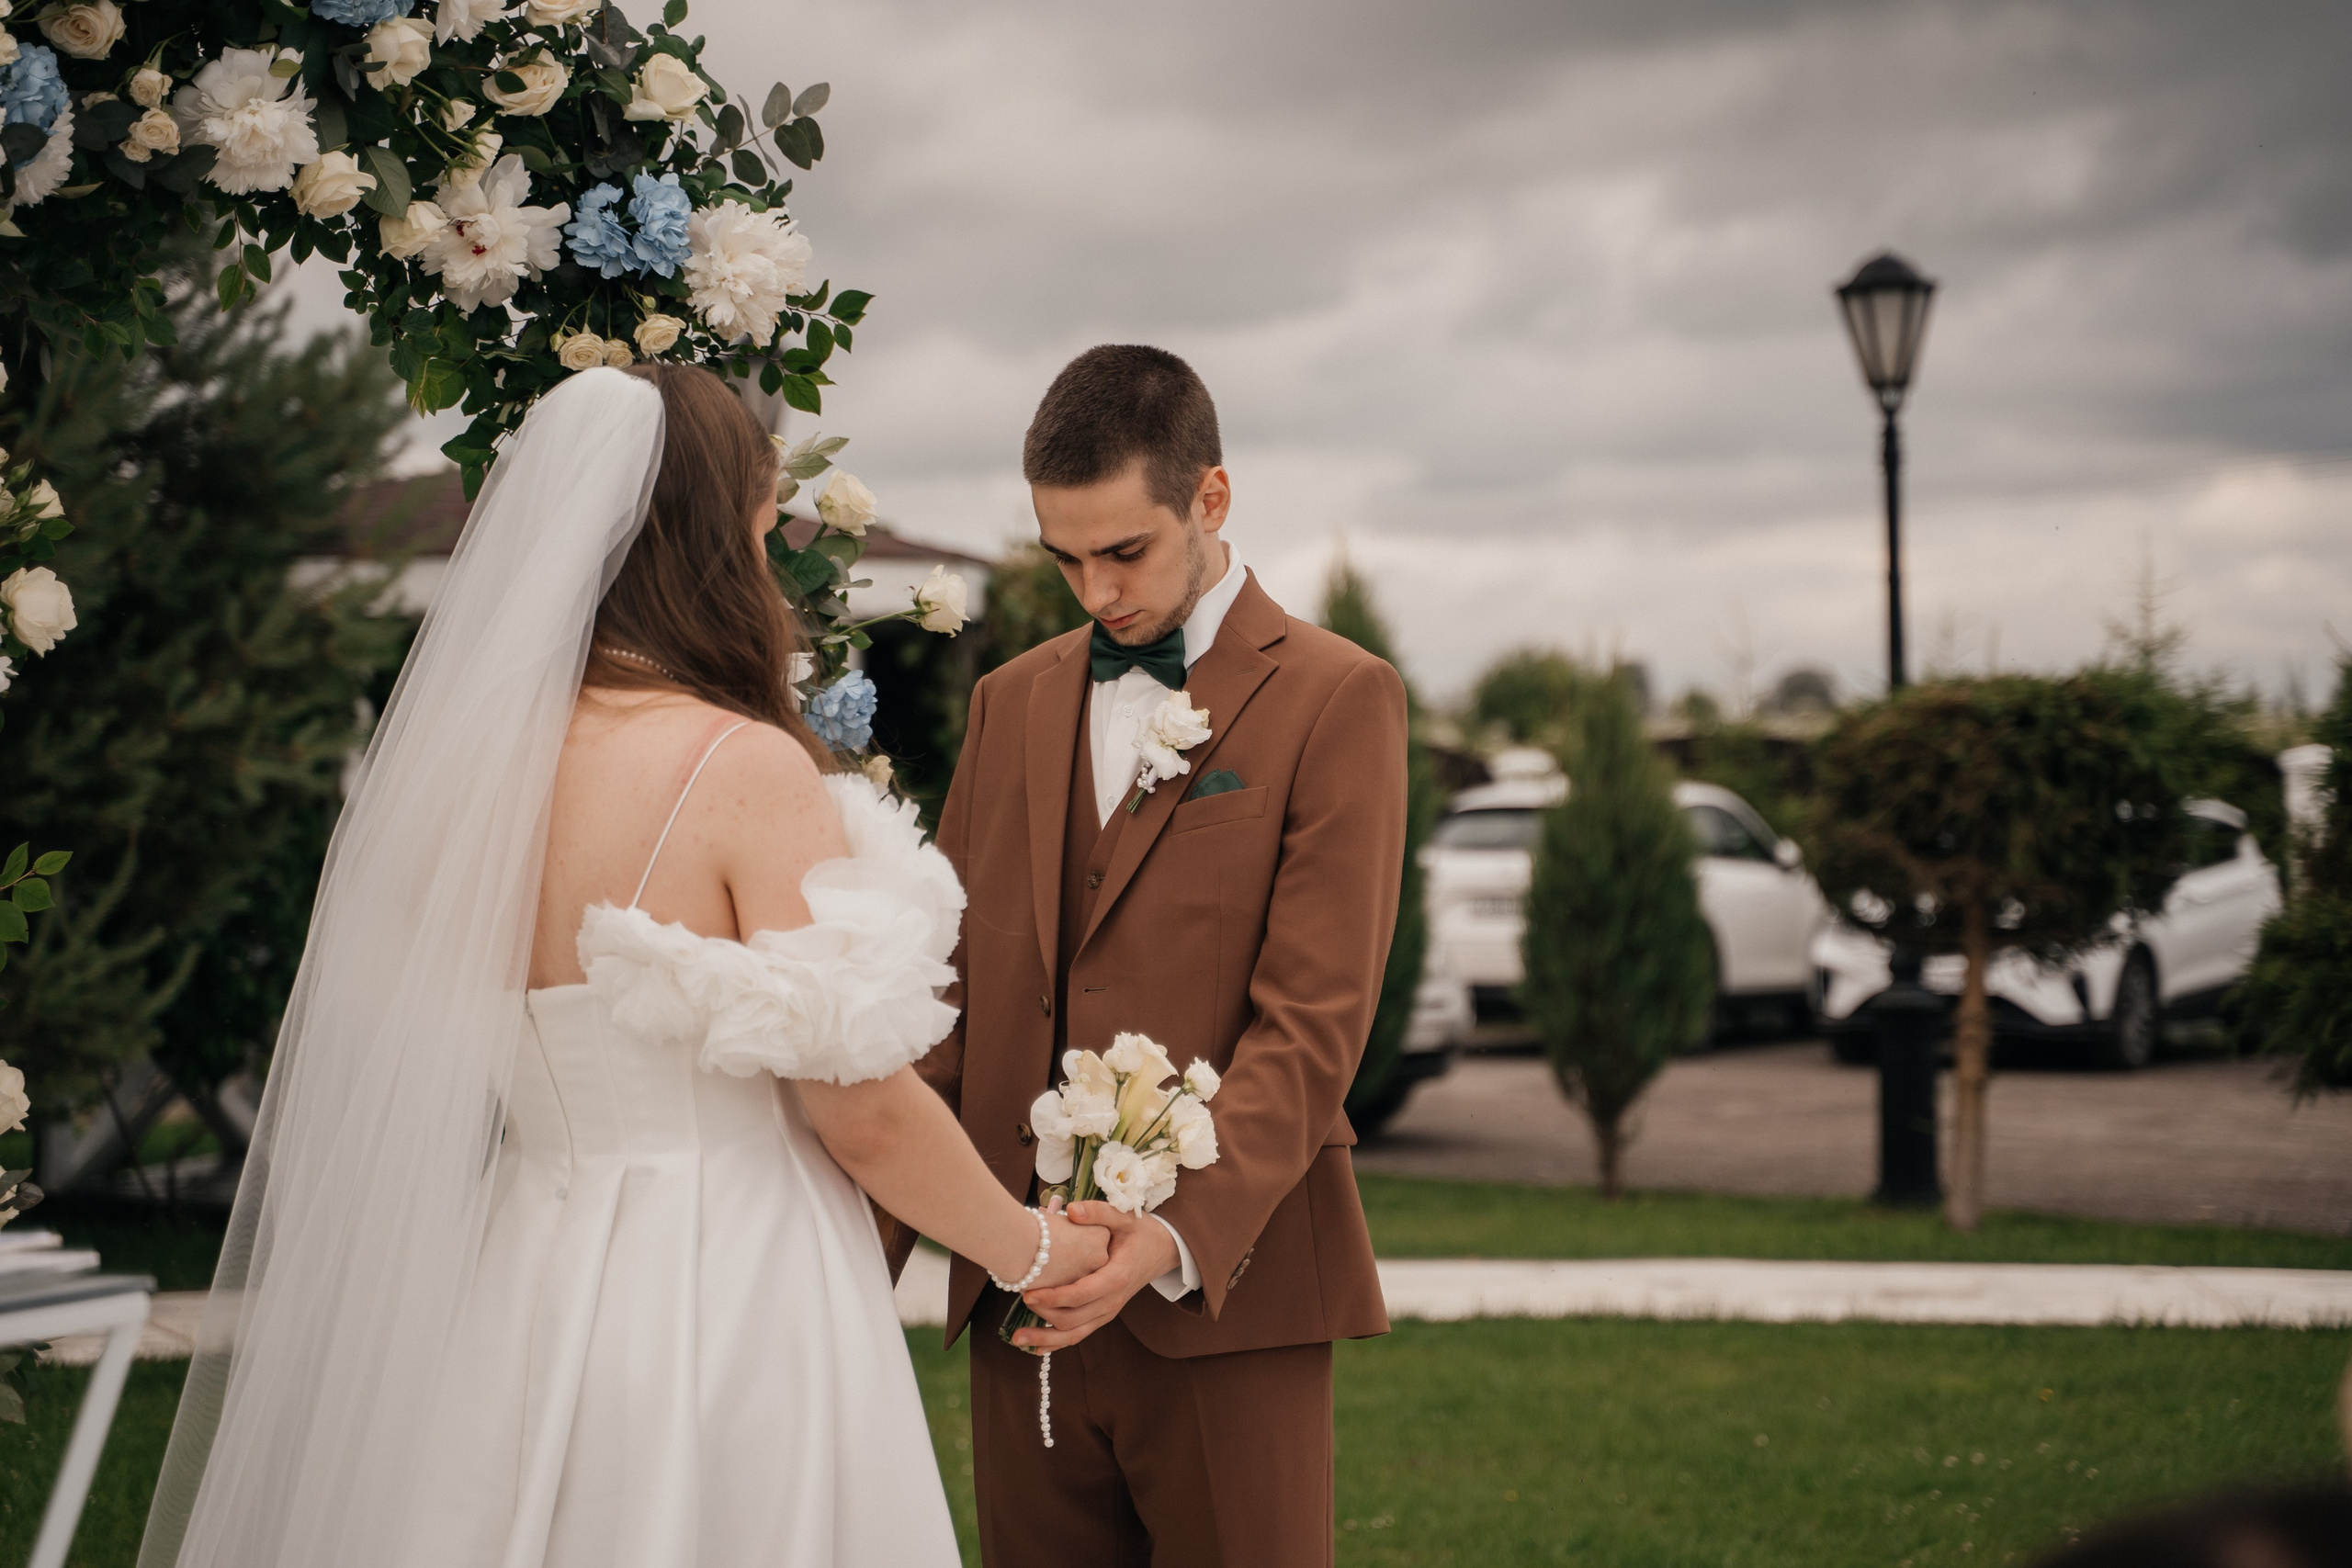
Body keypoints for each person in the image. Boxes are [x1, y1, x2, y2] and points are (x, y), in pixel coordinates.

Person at [138, 364, 1103, 1568]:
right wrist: (1033, 1247)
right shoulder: (739, 767)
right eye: (759, 526)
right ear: (711, 539)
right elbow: (857, 1111)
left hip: (524, 1267)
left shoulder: (462, 787)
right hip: (731, 1285)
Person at [911, 344, 1408, 1565]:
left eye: (1123, 551)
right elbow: (951, 995)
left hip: (1229, 1297)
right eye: (1064, 557)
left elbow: (1315, 1026)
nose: (1096, 591)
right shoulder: (1008, 702)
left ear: (1211, 500)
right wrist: (863, 1251)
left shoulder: (1339, 698)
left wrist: (1174, 1234)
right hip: (1018, 1293)